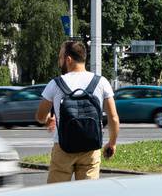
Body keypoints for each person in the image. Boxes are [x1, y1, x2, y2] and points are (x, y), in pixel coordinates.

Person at [37, 39, 119, 182]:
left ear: (68, 59)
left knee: (56, 194)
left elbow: (39, 116)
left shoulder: (55, 84)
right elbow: (113, 118)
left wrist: (48, 119)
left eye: (60, 57)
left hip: (63, 147)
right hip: (90, 148)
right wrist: (112, 143)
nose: (59, 61)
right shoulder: (101, 82)